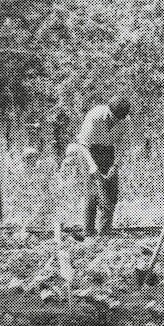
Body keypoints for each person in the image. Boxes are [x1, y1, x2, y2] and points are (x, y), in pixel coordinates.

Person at [73, 96, 130, 237]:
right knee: (93, 192)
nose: (116, 122)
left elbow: (122, 144)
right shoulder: (95, 116)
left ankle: (105, 234)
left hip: (108, 151)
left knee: (111, 192)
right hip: (88, 151)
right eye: (113, 118)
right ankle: (89, 233)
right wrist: (93, 167)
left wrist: (115, 165)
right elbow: (83, 144)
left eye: (119, 120)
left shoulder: (125, 121)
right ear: (109, 110)